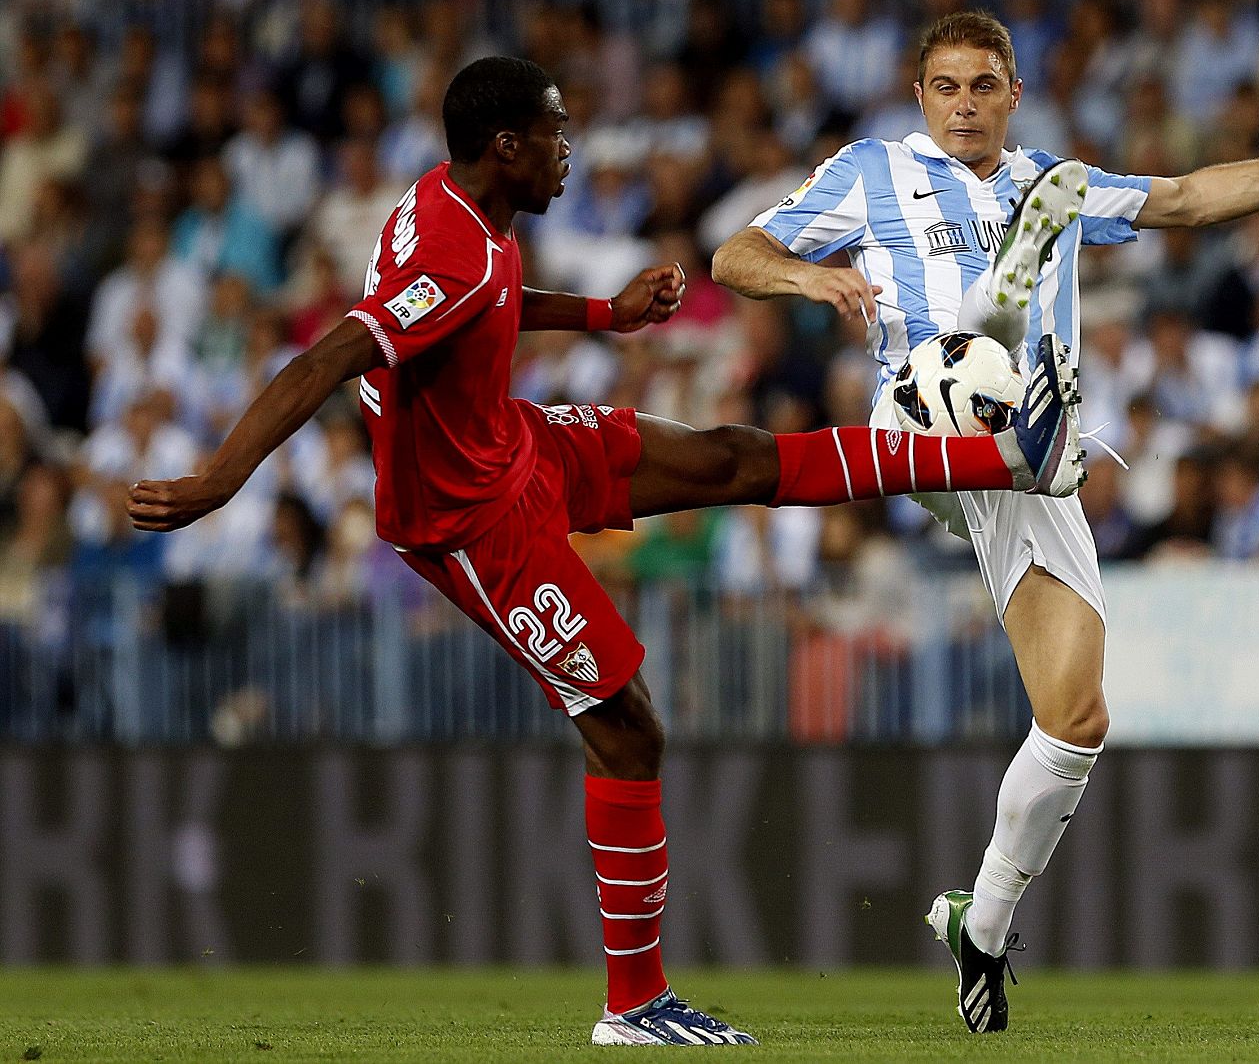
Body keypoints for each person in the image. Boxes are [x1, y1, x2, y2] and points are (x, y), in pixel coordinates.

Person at [124, 55, 1081, 1048]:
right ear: (508, 147)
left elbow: (484, 299)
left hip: (511, 438)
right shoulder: (449, 250)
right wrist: (219, 477)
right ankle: (633, 1005)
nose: (569, 150)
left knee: (729, 458)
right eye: (555, 132)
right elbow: (334, 353)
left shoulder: (461, 210)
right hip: (466, 520)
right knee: (627, 725)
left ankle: (1007, 454)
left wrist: (602, 315)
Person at [712, 10, 1259, 1034]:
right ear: (918, 94)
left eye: (983, 86)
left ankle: (978, 921)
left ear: (1013, 94)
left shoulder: (1054, 182)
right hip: (924, 420)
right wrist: (809, 273)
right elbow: (733, 253)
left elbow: (1188, 197)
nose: (963, 106)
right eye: (945, 86)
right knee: (977, 372)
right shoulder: (868, 170)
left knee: (1077, 717)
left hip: (1031, 470)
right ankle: (999, 379)